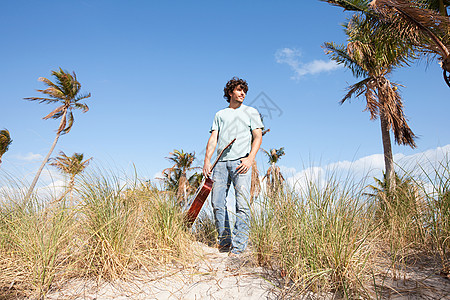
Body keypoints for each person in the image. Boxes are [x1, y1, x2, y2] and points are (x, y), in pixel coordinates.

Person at [203, 77, 263, 255]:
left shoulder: (251, 112)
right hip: (220, 163)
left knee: (242, 204)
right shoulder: (220, 115)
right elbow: (213, 138)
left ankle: (239, 247)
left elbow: (258, 136)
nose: (242, 93)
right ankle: (225, 241)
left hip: (241, 163)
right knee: (217, 202)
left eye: (244, 90)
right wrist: (207, 160)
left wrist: (250, 158)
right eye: (238, 90)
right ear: (230, 93)